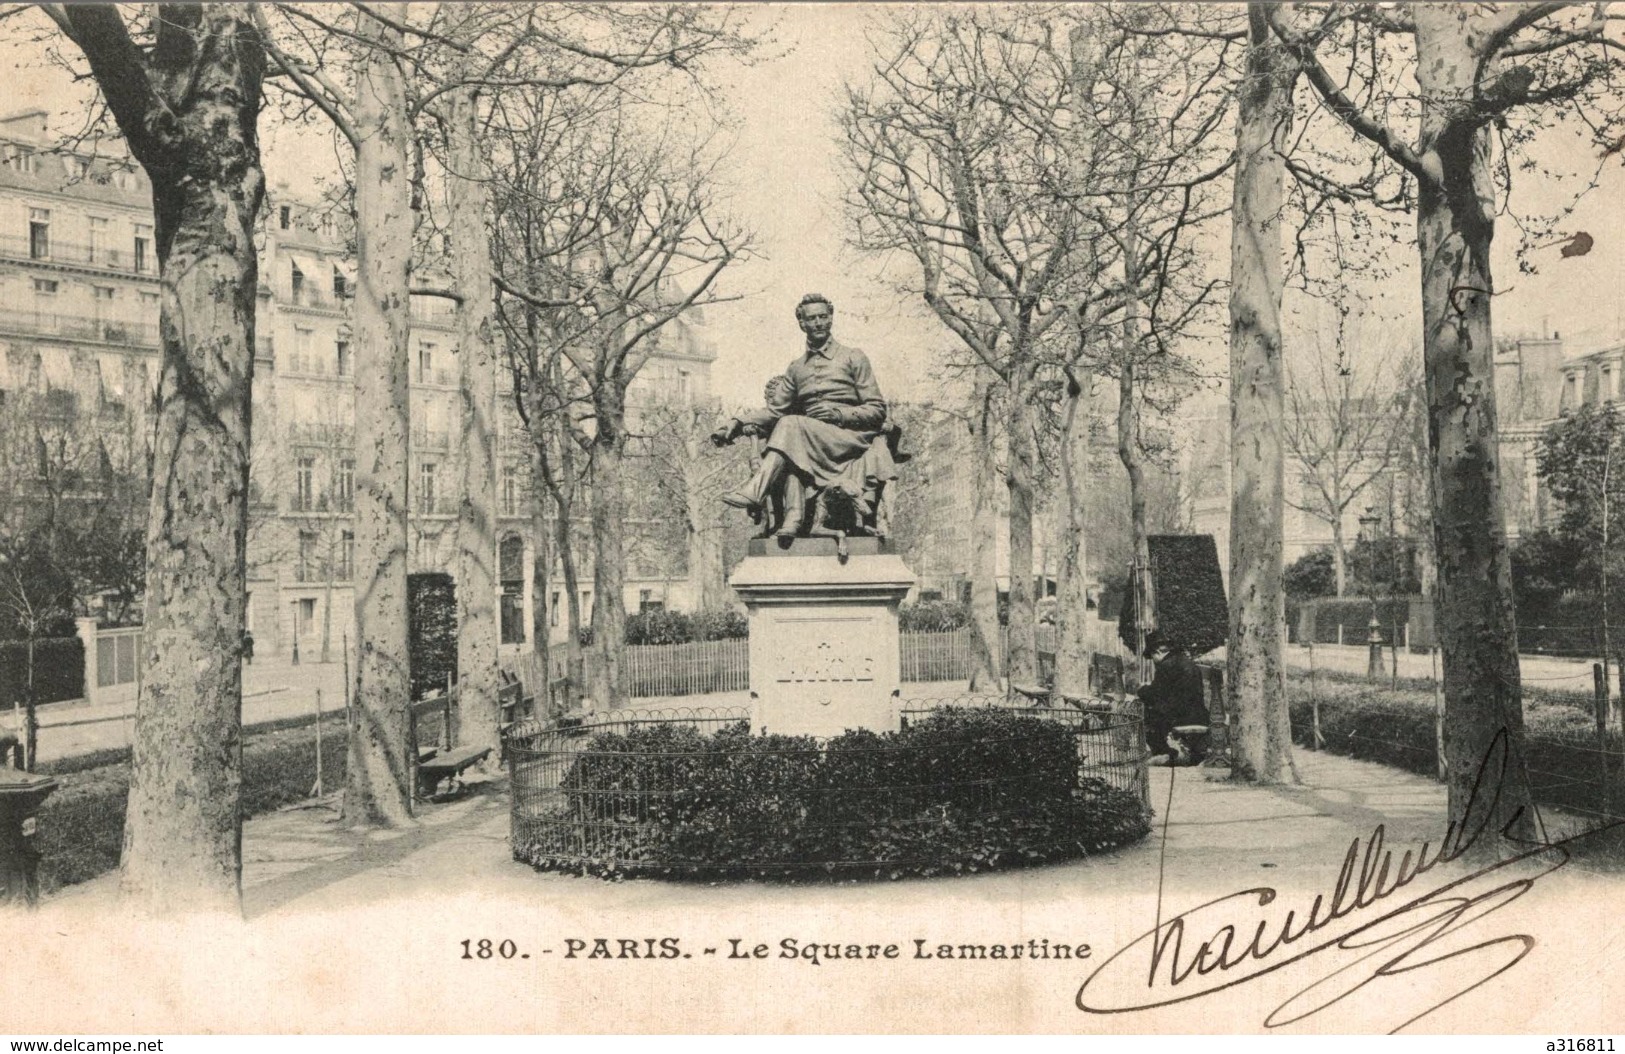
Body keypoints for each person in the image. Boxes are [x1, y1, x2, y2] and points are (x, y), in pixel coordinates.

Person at [711, 293, 895, 536]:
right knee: (789, 430)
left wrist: (838, 413)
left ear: (831, 319)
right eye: (811, 319)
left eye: (823, 317)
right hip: (811, 440)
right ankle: (786, 514)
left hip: (849, 438)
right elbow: (774, 410)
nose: (818, 323)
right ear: (802, 324)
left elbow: (876, 409)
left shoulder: (853, 356)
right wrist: (736, 422)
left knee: (790, 424)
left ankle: (756, 490)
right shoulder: (797, 368)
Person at [1136, 632, 1208, 763]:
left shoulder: (1166, 666)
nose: (1153, 661)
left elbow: (1155, 693)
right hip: (1198, 712)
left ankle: (1164, 753)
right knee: (1156, 709)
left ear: (1157, 652)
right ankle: (1171, 752)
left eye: (1152, 657)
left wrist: (1141, 690)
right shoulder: (1183, 660)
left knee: (1144, 713)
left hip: (1181, 715)